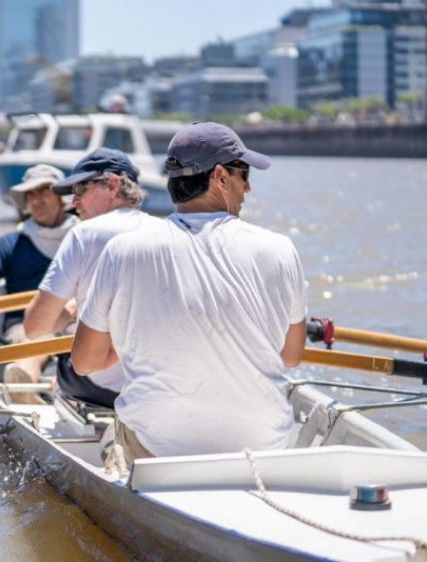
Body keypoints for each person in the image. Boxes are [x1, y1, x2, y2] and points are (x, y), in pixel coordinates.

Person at [72, 122, 307, 476]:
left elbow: (85, 363)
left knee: (118, 431)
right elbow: (290, 356)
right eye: (243, 174)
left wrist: (135, 336)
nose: (248, 187)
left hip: (158, 447)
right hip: (263, 446)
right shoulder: (280, 249)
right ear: (220, 178)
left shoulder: (122, 250)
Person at [22, 148, 159, 408]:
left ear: (113, 184)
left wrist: (72, 309)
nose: (74, 201)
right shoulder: (168, 230)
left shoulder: (83, 234)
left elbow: (34, 327)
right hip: (158, 385)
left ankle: (55, 390)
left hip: (102, 387)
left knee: (61, 349)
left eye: (81, 189)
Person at [0, 164, 79, 403]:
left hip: (74, 318)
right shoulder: (11, 242)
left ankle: (70, 391)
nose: (37, 200)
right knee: (40, 335)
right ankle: (24, 384)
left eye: (44, 191)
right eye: (31, 194)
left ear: (62, 198)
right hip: (24, 324)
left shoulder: (83, 236)